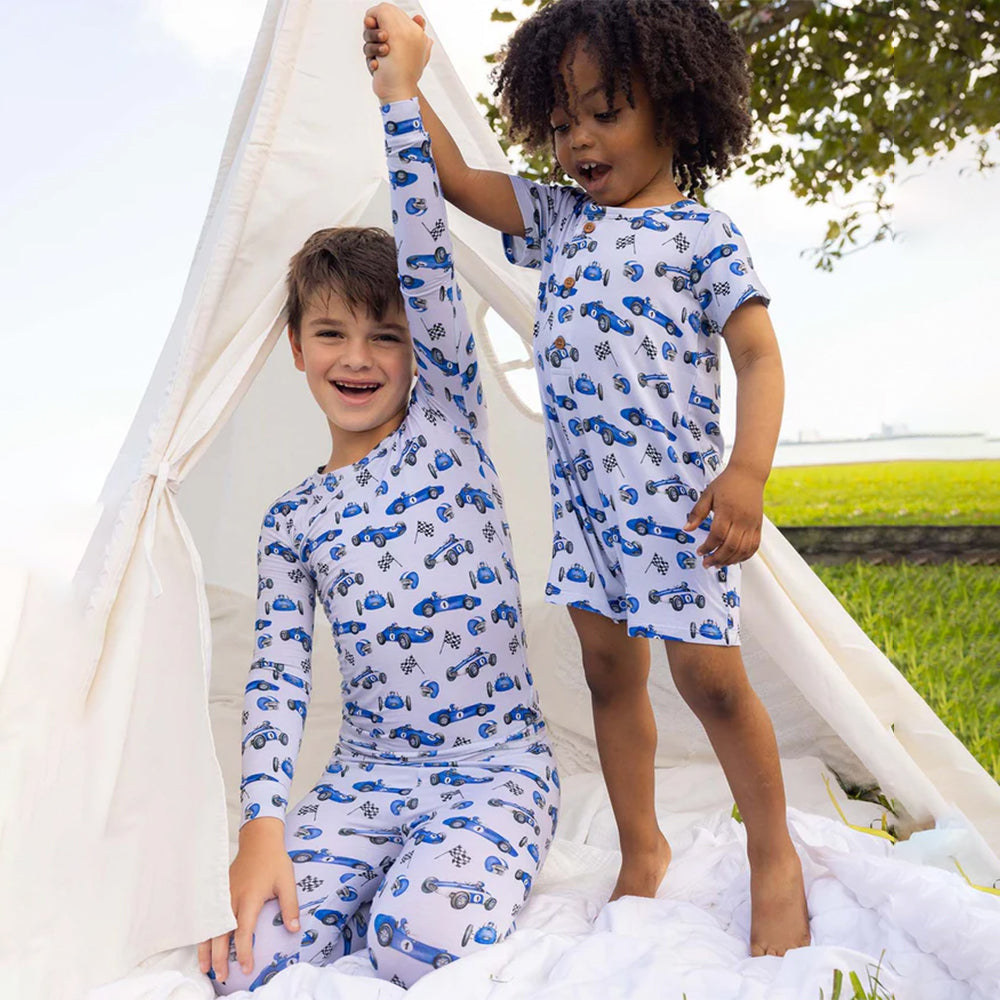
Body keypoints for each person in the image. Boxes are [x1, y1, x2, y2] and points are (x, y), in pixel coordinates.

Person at [362, 0, 809, 957]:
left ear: (676, 111)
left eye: (605, 111)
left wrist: (748, 475)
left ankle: (773, 854)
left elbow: (760, 359)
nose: (578, 141)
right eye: (561, 122)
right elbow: (454, 181)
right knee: (611, 674)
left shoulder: (704, 237)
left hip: (678, 508)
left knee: (712, 683)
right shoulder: (561, 219)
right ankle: (640, 845)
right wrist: (406, 75)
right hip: (586, 510)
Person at [198, 23, 558, 992]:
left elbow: (428, 255)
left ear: (419, 349)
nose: (357, 357)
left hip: (494, 767)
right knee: (250, 963)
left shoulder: (446, 420)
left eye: (383, 336)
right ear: (294, 346)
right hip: (362, 778)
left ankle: (429, 882)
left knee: (418, 948)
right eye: (331, 333)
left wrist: (399, 99)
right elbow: (274, 682)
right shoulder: (293, 520)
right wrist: (258, 833)